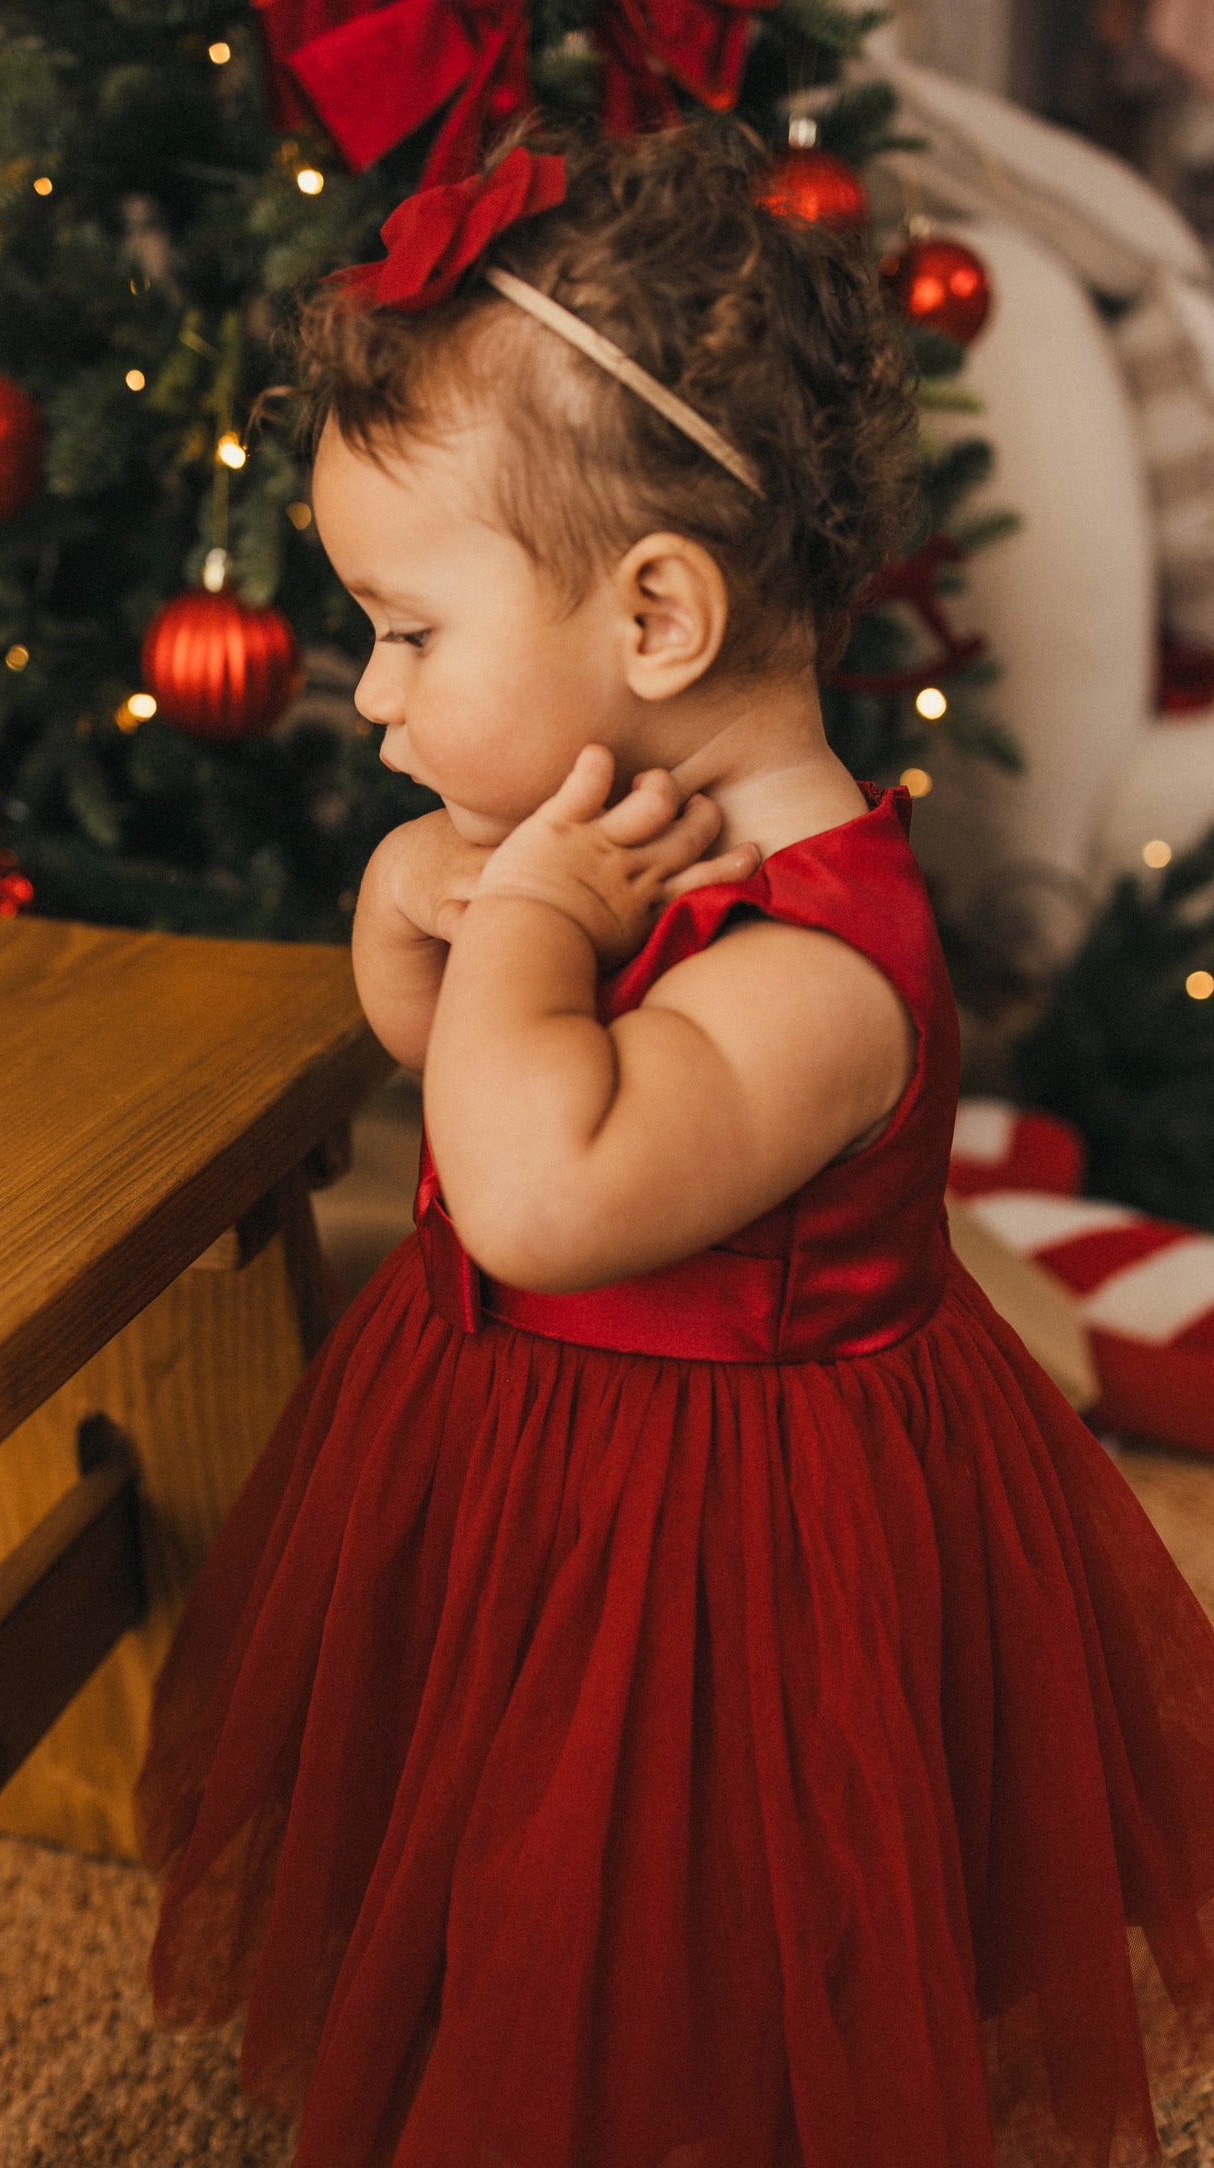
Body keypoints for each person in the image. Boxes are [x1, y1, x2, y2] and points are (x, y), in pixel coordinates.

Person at [134, 126, 1214, 2168]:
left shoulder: (821, 967)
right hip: (538, 1472)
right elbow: (445, 1057)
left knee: (677, 1946)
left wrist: (530, 919)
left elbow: (537, 1196)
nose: (367, 696)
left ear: (655, 615)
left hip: (725, 1572)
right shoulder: (608, 835)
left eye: (411, 632)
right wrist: (421, 909)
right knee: (495, 1843)